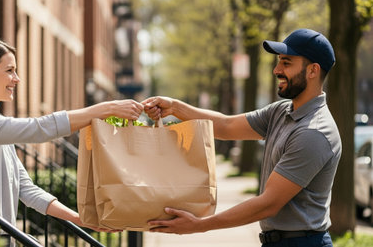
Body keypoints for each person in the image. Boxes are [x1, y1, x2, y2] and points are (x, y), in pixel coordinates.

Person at [143, 28, 341, 247]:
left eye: (286, 62)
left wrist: (199, 224)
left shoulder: (313, 133)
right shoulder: (281, 111)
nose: (276, 70)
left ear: (313, 70)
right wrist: (174, 107)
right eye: (278, 62)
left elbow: (268, 204)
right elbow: (227, 126)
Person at [0, 39, 143, 246]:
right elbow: (39, 128)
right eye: (10, 70)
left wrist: (81, 219)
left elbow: (26, 189)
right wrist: (106, 108)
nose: (17, 79)